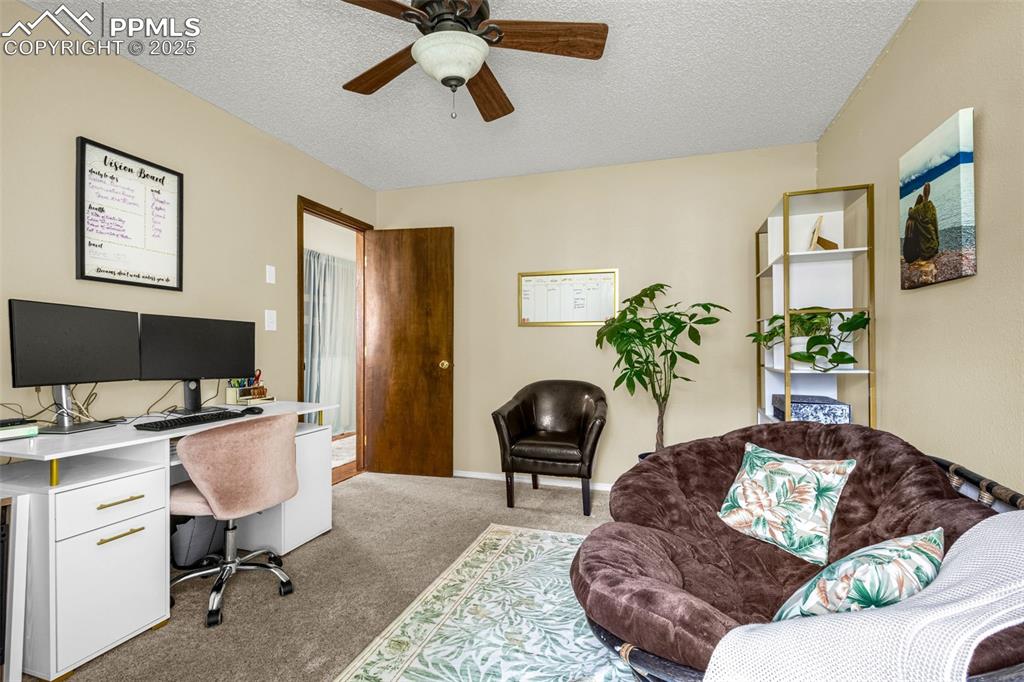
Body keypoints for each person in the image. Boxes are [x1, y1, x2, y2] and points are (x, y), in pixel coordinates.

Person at [903, 182, 939, 263]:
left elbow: (911, 212)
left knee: (910, 221)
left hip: (925, 252)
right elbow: (936, 228)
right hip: (934, 247)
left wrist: (910, 208)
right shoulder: (931, 209)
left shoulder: (917, 212)